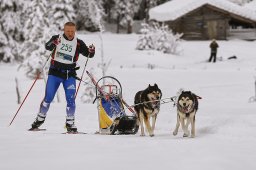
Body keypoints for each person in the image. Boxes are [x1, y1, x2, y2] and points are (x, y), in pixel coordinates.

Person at [30, 22, 95, 132]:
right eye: (68, 31)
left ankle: (70, 124)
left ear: (75, 31)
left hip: (69, 75)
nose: (70, 33)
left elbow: (88, 54)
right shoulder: (57, 38)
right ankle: (39, 120)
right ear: (64, 30)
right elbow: (47, 46)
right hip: (55, 74)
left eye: (72, 31)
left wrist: (91, 51)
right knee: (48, 98)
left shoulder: (78, 43)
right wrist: (53, 43)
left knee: (71, 100)